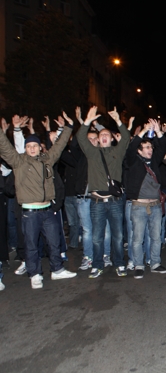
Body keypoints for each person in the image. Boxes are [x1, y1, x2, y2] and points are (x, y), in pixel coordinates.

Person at [0, 111, 77, 289]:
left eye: (35, 145)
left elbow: (59, 146)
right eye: (29, 146)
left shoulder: (47, 159)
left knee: (54, 242)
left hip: (48, 210)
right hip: (30, 212)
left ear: (40, 147)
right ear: (26, 148)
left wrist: (69, 127)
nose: (33, 148)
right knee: (31, 245)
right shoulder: (18, 161)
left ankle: (57, 269)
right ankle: (34, 274)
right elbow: (4, 146)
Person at [77, 106, 130, 278]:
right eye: (101, 135)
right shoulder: (92, 153)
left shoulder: (117, 151)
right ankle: (97, 265)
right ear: (98, 140)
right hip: (97, 202)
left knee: (118, 235)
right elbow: (80, 138)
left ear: (112, 138)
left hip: (115, 202)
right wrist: (86, 122)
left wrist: (119, 121)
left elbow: (127, 137)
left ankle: (120, 264)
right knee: (97, 236)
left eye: (107, 135)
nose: (104, 137)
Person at [125, 119, 166, 278]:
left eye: (150, 146)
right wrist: (143, 131)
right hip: (138, 206)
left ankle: (155, 263)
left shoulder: (155, 162)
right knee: (137, 239)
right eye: (146, 147)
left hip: (156, 206)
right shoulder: (133, 161)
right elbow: (130, 148)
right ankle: (138, 265)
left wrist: (158, 132)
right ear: (139, 150)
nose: (150, 149)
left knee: (156, 237)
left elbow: (163, 147)